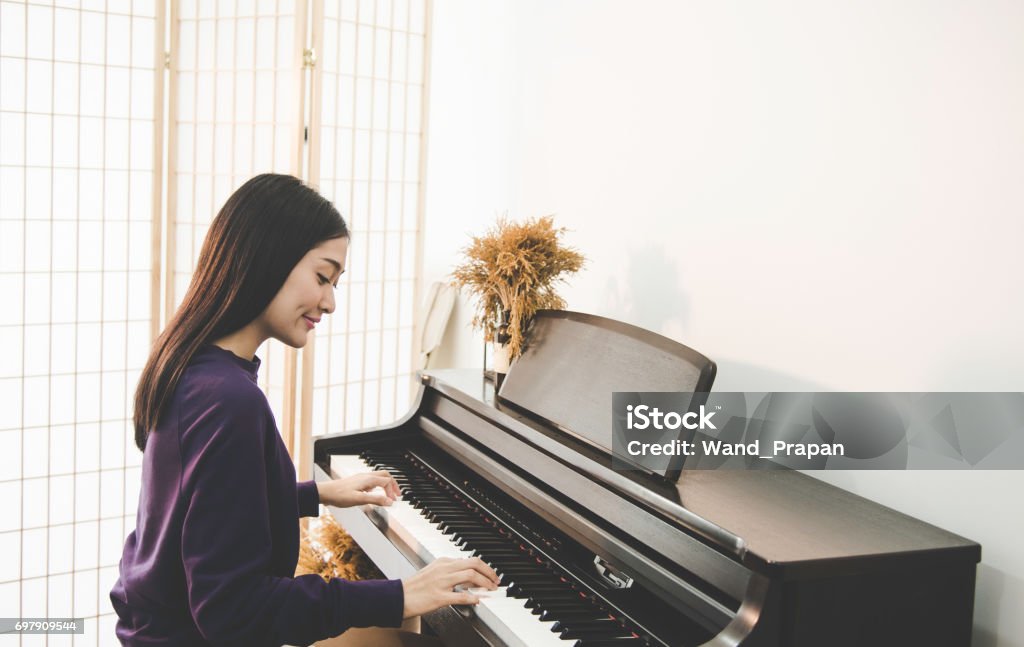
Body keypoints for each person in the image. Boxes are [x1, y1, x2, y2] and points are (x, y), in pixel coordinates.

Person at [110, 174, 499, 646]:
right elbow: (234, 611)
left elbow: (203, 510)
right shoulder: (229, 400)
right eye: (322, 276)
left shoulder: (192, 365)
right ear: (266, 257)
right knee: (399, 633)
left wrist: (316, 494)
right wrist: (402, 595)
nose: (330, 302)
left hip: (155, 630)